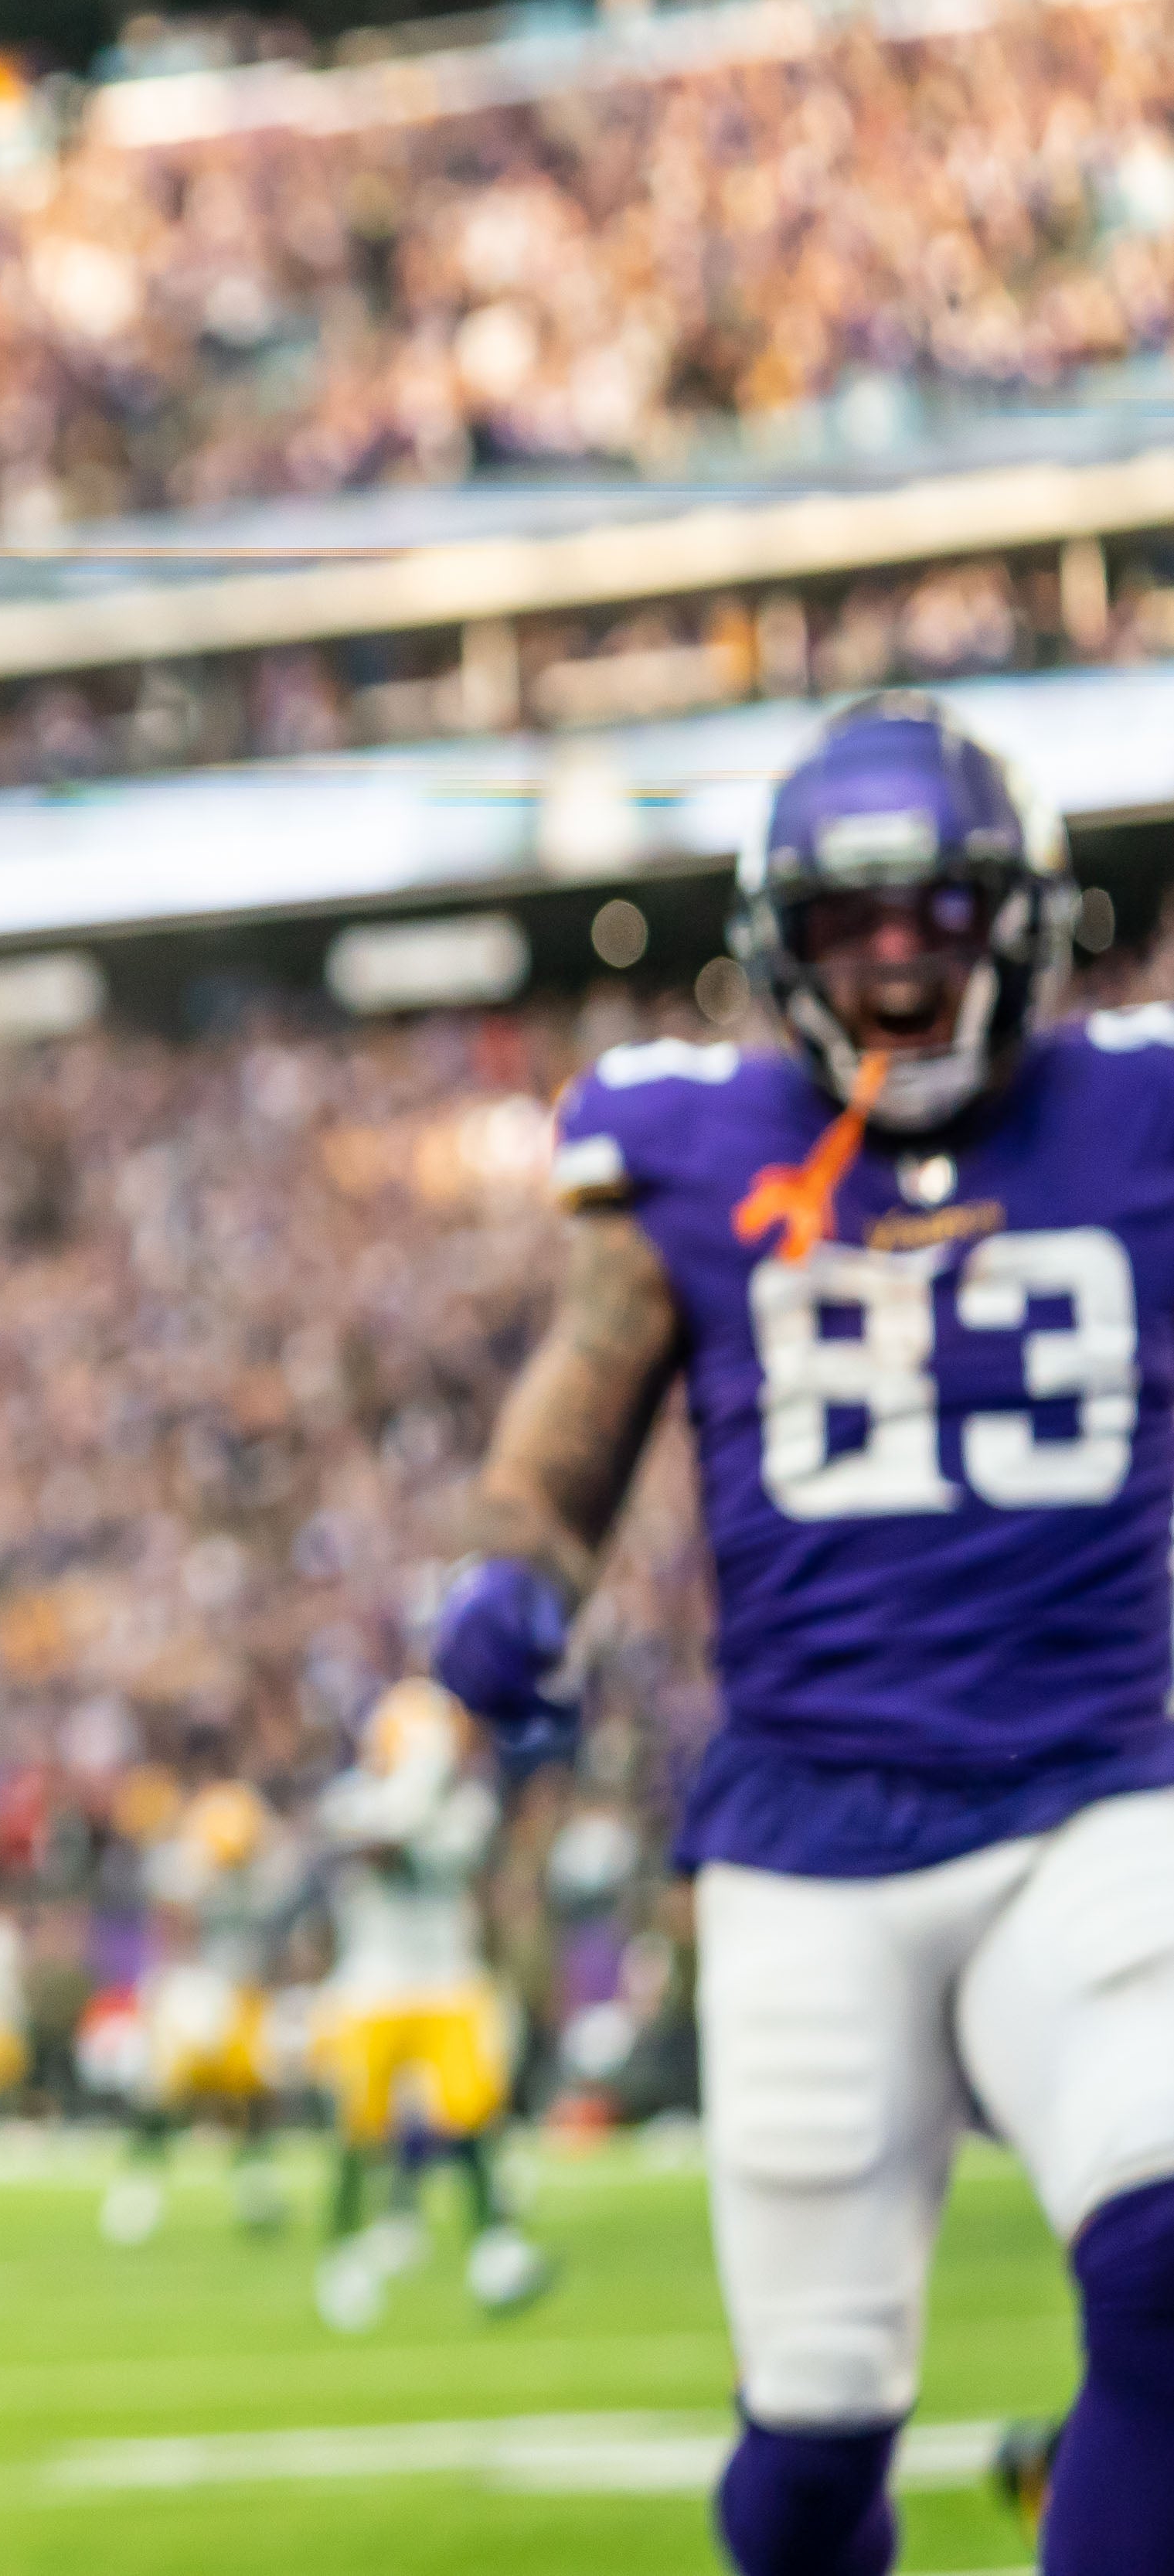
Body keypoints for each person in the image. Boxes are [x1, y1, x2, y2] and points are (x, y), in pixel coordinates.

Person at [435, 692, 1174, 2576]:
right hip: (809, 1834)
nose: (896, 958)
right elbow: (582, 1396)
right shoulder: (683, 1141)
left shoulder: (1139, 1105)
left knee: (1169, 2252)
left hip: (1097, 1789)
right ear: (781, 946)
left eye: (934, 911)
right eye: (851, 923)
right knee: (813, 2444)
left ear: (1018, 919)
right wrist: (512, 1577)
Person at [305, 1685, 549, 2331]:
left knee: (471, 2121)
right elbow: (368, 1851)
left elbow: (441, 1857)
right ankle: (341, 2254)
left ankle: (496, 2247)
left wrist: (418, 1798)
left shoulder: (462, 1806)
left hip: (445, 1978)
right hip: (374, 1982)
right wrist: (407, 1795)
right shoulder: (356, 1798)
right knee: (360, 2131)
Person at [105, 1777, 294, 2247]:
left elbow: (277, 1921)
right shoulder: (185, 1867)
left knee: (252, 2097)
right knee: (164, 2096)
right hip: (194, 1987)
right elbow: (169, 1918)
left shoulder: (266, 1872)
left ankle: (256, 2194)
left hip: (242, 1990)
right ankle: (138, 2193)